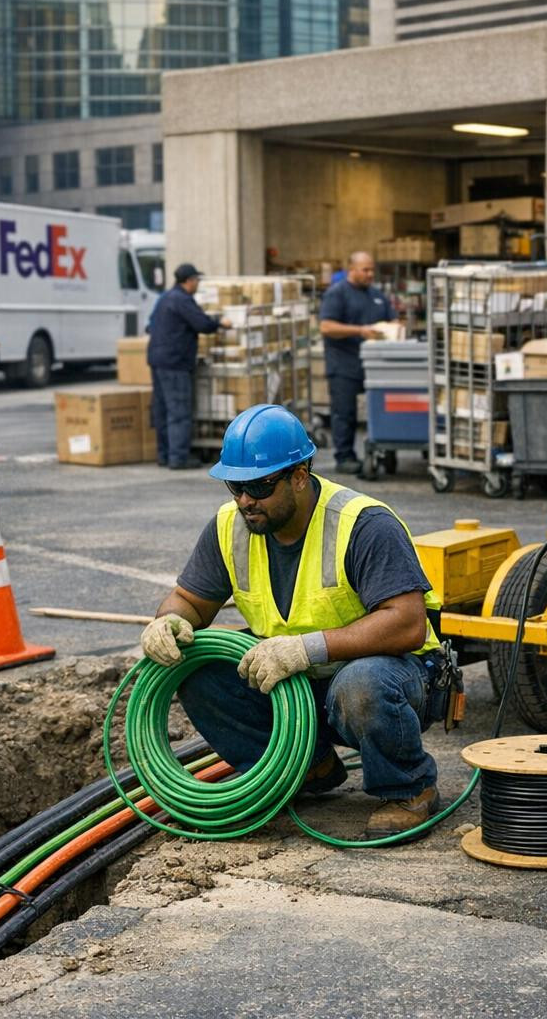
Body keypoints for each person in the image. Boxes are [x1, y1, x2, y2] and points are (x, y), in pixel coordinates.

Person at [141, 404, 447, 839]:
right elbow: (191, 600)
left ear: (299, 476)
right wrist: (169, 621)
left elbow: (407, 624)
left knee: (361, 685)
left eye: (259, 486)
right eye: (235, 486)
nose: (245, 501)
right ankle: (307, 768)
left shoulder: (363, 524)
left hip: (393, 675)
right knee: (195, 666)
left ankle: (409, 788)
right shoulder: (231, 526)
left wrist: (305, 649)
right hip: (295, 682)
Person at [147, 262, 233, 470]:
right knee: (179, 410)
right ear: (189, 281)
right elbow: (201, 323)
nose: (197, 284)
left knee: (163, 409)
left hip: (158, 360)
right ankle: (178, 457)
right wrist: (220, 323)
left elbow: (149, 325)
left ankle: (164, 455)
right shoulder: (182, 299)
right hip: (175, 362)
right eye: (196, 280)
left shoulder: (165, 297)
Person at [318, 251, 397, 474]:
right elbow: (326, 327)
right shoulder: (337, 293)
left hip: (375, 366)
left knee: (384, 409)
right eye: (365, 270)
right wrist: (360, 331)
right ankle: (344, 457)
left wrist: (393, 327)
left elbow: (392, 319)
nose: (370, 274)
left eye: (372, 269)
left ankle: (385, 450)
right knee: (345, 413)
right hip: (344, 364)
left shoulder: (377, 295)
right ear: (351, 269)